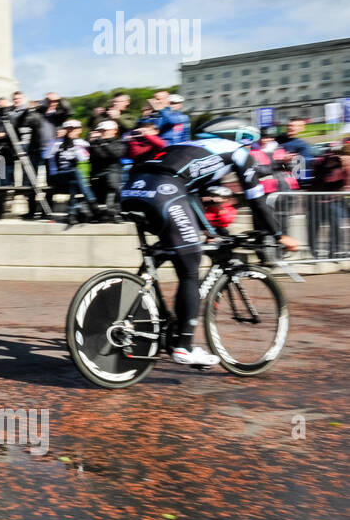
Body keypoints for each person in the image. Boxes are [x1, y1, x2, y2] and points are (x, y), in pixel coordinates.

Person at [119, 117, 298, 366]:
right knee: (190, 269)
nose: (251, 152)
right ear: (242, 139)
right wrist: (279, 235)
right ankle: (183, 346)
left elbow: (190, 194)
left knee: (172, 249)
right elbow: (257, 200)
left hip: (131, 191)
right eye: (251, 145)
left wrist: (209, 230)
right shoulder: (237, 152)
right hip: (164, 192)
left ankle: (141, 311)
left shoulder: (188, 147)